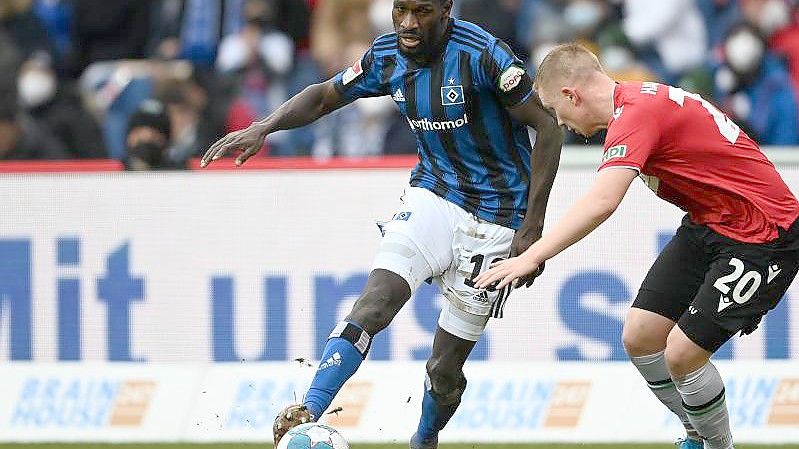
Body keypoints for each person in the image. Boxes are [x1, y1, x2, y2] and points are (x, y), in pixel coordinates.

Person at [200, 1, 563, 447]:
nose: (409, 23)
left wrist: (533, 228)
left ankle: (424, 437)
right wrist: (266, 125)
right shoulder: (386, 55)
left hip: (498, 218)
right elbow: (325, 94)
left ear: (446, 9)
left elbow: (549, 128)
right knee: (374, 302)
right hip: (433, 195)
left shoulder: (485, 55)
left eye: (422, 11)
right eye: (401, 10)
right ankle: (308, 412)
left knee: (443, 370)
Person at [474, 43, 799, 449]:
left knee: (682, 354)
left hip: (764, 234)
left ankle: (717, 445)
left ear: (572, 95)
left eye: (557, 111)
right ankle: (698, 435)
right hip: (710, 224)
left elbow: (602, 202)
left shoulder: (635, 115)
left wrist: (532, 255)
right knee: (641, 336)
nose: (561, 122)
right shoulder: (639, 101)